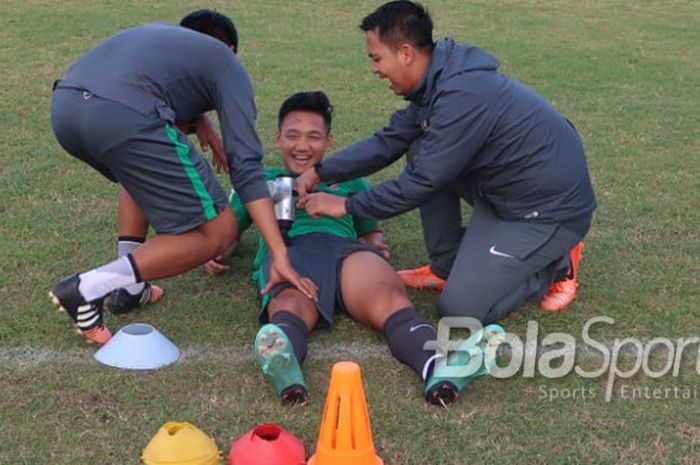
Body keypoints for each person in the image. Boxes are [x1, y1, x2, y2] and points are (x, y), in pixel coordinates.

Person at [297, 1, 596, 325]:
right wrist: (322, 171)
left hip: (546, 212)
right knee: (420, 147)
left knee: (460, 310)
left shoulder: (462, 94)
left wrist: (345, 205)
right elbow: (390, 140)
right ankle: (446, 267)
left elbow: (420, 184)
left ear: (406, 53)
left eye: (377, 58)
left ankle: (556, 264)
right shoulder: (438, 80)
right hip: (503, 195)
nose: (375, 69)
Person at [205, 91, 503, 405]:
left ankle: (439, 368)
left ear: (329, 142)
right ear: (278, 139)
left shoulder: (348, 181)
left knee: (390, 299)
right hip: (291, 255)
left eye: (313, 137)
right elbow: (226, 235)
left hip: (346, 252)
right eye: (293, 136)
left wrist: (376, 247)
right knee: (290, 306)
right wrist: (218, 254)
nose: (302, 146)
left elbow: (369, 231)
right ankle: (284, 364)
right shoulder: (258, 183)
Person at [49, 10, 316, 345]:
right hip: (122, 115)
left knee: (141, 174)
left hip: (65, 108)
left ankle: (132, 289)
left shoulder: (158, 34)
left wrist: (196, 116)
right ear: (229, 49)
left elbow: (155, 81)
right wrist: (279, 252)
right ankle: (89, 287)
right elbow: (247, 168)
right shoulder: (228, 65)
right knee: (219, 231)